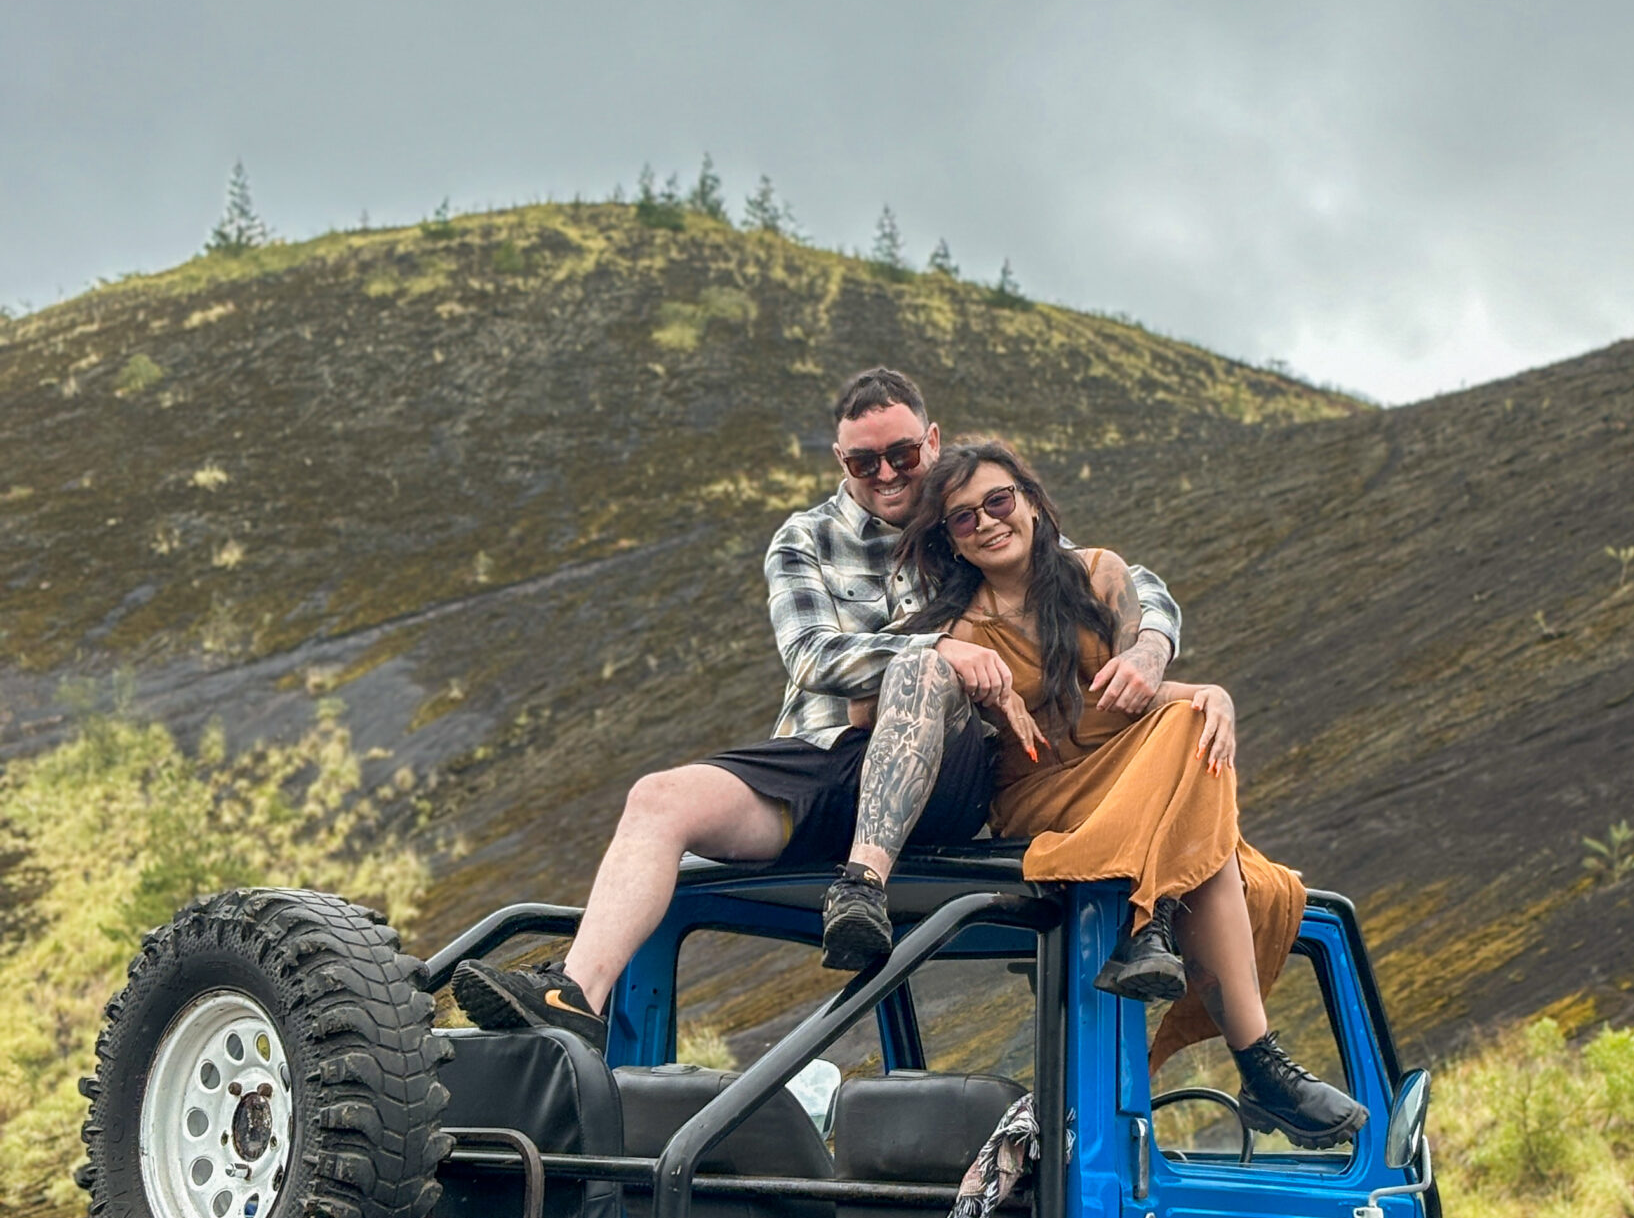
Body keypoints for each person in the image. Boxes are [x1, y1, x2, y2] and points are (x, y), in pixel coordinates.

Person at [453, 369, 1183, 1048]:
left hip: (955, 777)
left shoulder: (975, 520)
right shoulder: (805, 540)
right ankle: (574, 998)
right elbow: (810, 658)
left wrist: (1150, 646)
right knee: (658, 798)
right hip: (832, 757)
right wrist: (938, 650)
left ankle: (862, 885)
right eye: (865, 463)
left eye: (901, 453)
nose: (889, 474)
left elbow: (1111, 578)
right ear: (840, 461)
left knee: (924, 675)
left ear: (930, 441)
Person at [823, 438, 1365, 1150]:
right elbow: (864, 709)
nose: (985, 522)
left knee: (1195, 717)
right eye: (962, 519)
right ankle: (1214, 1004)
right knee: (1215, 847)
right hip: (1038, 790)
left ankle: (1159, 931)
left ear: (1033, 503)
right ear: (950, 542)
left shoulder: (1100, 576)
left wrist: (1210, 692)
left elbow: (1129, 698)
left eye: (998, 501)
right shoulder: (953, 624)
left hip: (1127, 770)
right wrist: (945, 666)